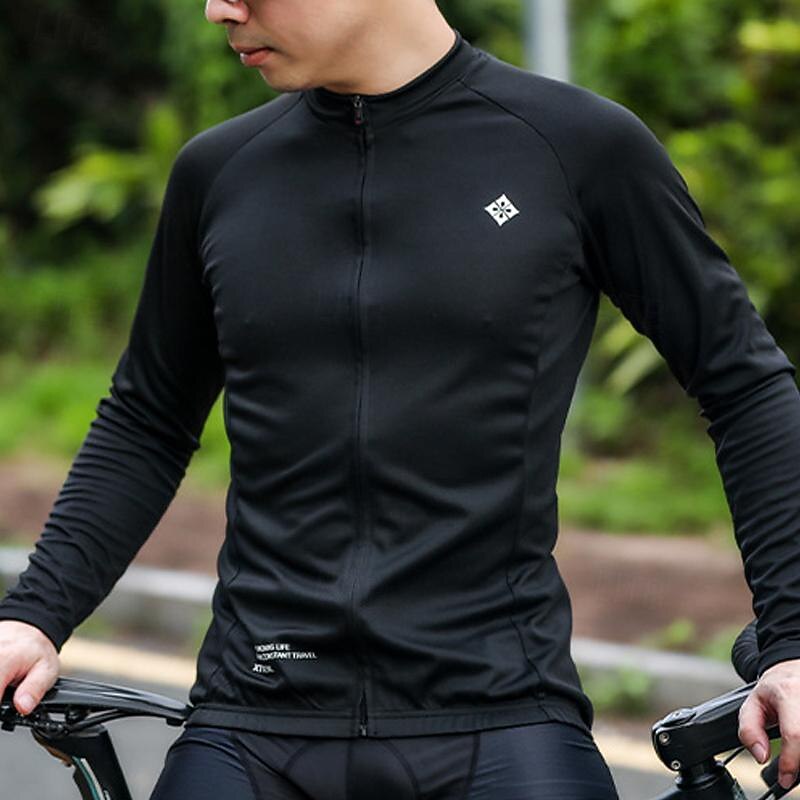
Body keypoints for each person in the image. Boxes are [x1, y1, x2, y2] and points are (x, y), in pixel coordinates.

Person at [1, 0, 799, 796]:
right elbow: (148, 419)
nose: (218, 9)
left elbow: (744, 386)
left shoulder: (576, 147)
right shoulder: (221, 172)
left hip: (501, 715)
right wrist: (33, 615)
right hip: (253, 718)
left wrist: (792, 640)